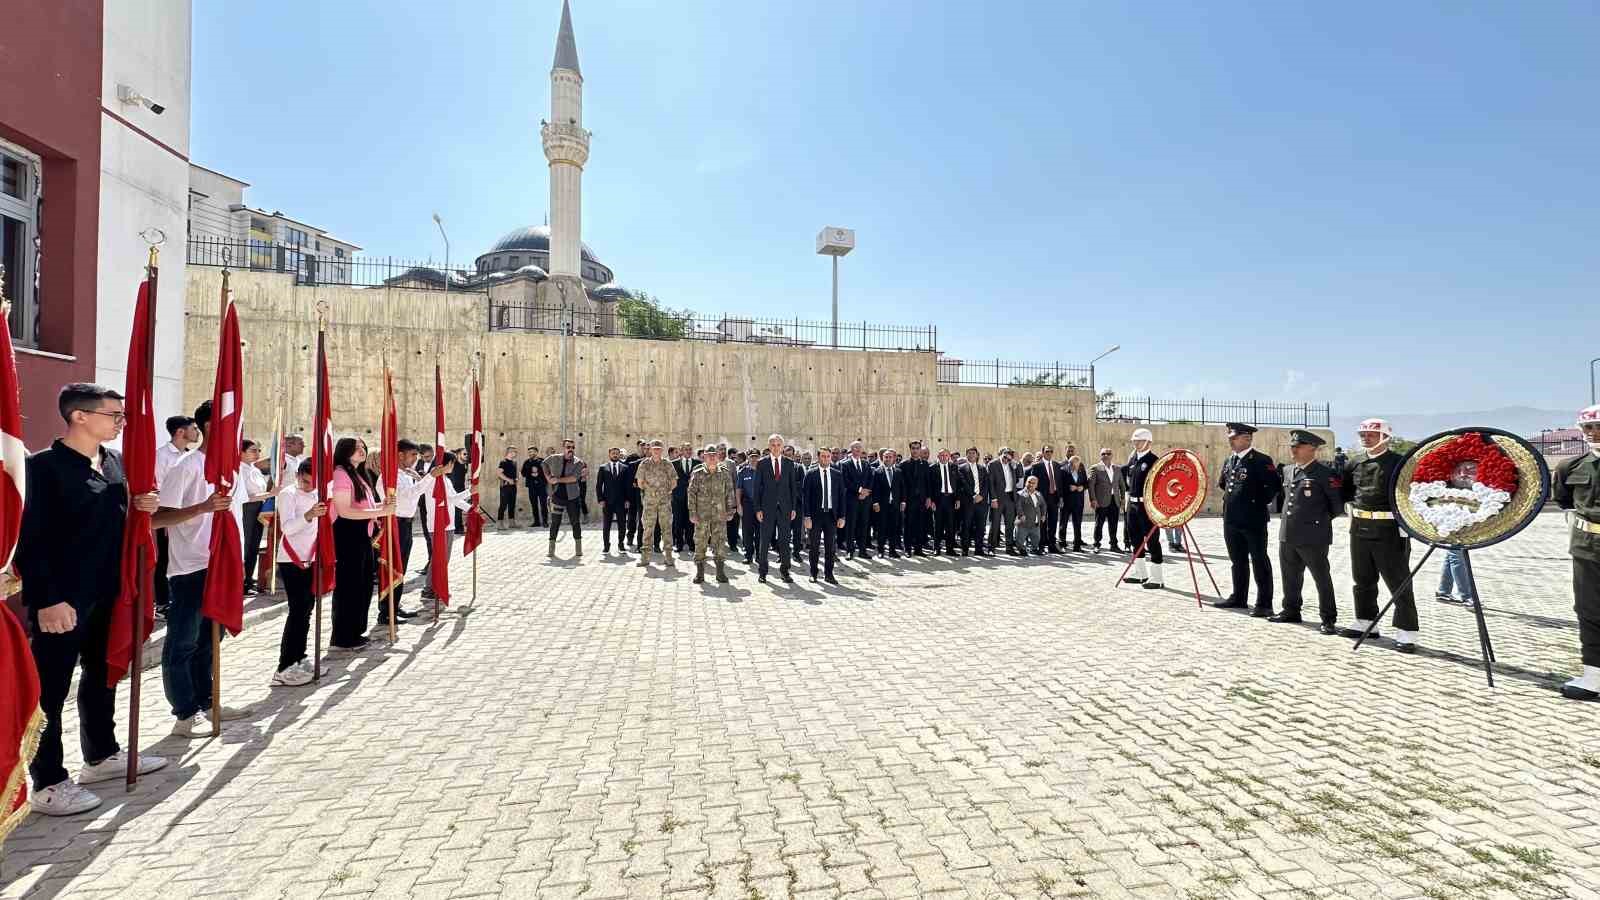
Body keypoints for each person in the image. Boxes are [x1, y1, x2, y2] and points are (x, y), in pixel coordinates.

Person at [16, 384, 168, 815]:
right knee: (51, 690)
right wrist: (48, 600)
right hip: (62, 599)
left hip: (110, 592)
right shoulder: (43, 468)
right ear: (79, 416)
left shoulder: (113, 463)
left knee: (102, 676)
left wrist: (139, 503)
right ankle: (48, 782)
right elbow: (32, 540)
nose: (121, 422)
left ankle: (101, 755)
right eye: (113, 415)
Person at [152, 399, 249, 737]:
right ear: (211, 425)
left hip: (222, 566)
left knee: (210, 640)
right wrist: (203, 507)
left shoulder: (231, 470)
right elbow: (157, 518)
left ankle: (208, 701)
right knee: (183, 642)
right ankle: (184, 712)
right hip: (191, 567)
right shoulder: (187, 466)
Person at [1338, 418, 1418, 652]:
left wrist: (1408, 527)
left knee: (1398, 581)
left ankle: (1407, 631)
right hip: (1360, 527)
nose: (1365, 438)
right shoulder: (1354, 462)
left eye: (1371, 434)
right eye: (1363, 434)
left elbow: (1409, 494)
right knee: (1362, 579)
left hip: (1390, 530)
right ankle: (1366, 622)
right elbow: (1346, 491)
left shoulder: (1399, 463)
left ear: (1385, 437)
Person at [1269, 431, 1342, 633]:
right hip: (1288, 533)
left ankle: (1328, 618)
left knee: (1321, 578)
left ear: (1312, 449)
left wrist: (1315, 524)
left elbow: (1336, 507)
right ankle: (1291, 610)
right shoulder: (1287, 470)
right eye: (1292, 446)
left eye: (1298, 446)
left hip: (1313, 537)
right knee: (1290, 576)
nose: (1293, 450)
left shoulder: (1325, 473)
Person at [328, 437, 395, 650]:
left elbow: (361, 504)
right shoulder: (340, 474)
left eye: (363, 447)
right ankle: (343, 636)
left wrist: (380, 505)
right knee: (349, 586)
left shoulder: (357, 474)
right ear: (344, 451)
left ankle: (356, 631)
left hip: (361, 533)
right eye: (356, 448)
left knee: (364, 584)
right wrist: (380, 511)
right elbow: (345, 510)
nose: (361, 450)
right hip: (347, 533)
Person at [1555, 404, 1600, 701]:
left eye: (1599, 427)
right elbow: (1564, 501)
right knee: (1589, 611)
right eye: (1588, 428)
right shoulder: (1570, 467)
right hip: (1586, 549)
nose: (1594, 432)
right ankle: (1593, 677)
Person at [271, 459, 328, 686]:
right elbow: (287, 528)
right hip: (291, 558)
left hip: (311, 556)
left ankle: (300, 657)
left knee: (307, 610)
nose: (308, 485)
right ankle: (284, 667)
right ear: (299, 475)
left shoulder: (318, 493)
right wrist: (309, 515)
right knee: (297, 612)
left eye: (313, 482)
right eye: (305, 481)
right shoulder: (288, 494)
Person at [1215, 423, 1279, 617]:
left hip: (1253, 520)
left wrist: (1253, 504)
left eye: (1234, 438)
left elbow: (1273, 487)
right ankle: (1239, 597)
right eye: (1230, 438)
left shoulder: (1261, 460)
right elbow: (1223, 484)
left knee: (1259, 560)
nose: (1231, 441)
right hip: (1231, 519)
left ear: (1247, 439)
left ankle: (1264, 603)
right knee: (1237, 560)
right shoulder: (1230, 460)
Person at [153, 415, 197, 621]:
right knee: (163, 559)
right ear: (180, 432)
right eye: (193, 428)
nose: (197, 432)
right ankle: (162, 603)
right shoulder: (161, 456)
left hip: (188, 515)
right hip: (168, 513)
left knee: (179, 557)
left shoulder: (190, 456)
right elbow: (159, 486)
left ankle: (173, 598)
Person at [385, 439, 431, 618]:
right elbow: (407, 496)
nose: (415, 459)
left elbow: (413, 496)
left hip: (406, 523)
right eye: (412, 455)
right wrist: (429, 477)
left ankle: (395, 606)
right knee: (394, 567)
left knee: (401, 567)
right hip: (396, 522)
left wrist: (422, 480)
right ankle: (387, 611)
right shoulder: (392, 475)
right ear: (400, 455)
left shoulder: (405, 474)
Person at [754, 434, 802, 583]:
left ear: (782, 446)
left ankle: (785, 571)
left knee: (784, 540)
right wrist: (758, 509)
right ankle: (762, 572)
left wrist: (793, 507)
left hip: (785, 509)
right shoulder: (762, 463)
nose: (775, 447)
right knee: (765, 540)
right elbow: (757, 488)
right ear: (769, 447)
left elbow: (792, 488)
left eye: (778, 445)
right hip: (766, 509)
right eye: (773, 445)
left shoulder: (789, 463)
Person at [688, 445, 737, 583]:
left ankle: (720, 572)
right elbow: (691, 494)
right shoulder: (698, 473)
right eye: (709, 455)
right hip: (701, 516)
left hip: (719, 516)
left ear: (718, 456)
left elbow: (730, 493)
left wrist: (731, 510)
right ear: (704, 456)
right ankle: (700, 573)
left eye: (714, 454)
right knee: (700, 542)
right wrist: (692, 513)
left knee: (720, 542)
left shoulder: (724, 473)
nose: (711, 457)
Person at [1122, 429, 1164, 589]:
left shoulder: (1154, 460)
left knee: (1152, 540)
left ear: (1148, 442)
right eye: (1134, 441)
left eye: (1139, 441)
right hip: (1132, 505)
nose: (1136, 443)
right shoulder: (1132, 460)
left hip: (1147, 506)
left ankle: (1157, 577)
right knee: (1135, 539)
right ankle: (1140, 573)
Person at [802, 447, 847, 583]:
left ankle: (829, 574)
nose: (826, 459)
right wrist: (807, 517)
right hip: (815, 516)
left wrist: (842, 516)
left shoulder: (837, 474)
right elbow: (806, 497)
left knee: (830, 548)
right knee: (814, 547)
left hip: (831, 516)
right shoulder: (810, 474)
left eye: (828, 456)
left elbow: (841, 497)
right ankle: (813, 573)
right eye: (823, 456)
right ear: (818, 457)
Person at [238, 439, 276, 596]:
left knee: (254, 545)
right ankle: (240, 582)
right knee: (245, 545)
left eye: (258, 451)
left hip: (258, 508)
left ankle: (248, 582)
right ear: (241, 452)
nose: (257, 454)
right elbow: (245, 496)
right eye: (253, 450)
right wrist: (270, 494)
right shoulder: (239, 470)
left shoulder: (254, 470)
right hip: (246, 508)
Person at [635, 439, 677, 569]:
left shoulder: (667, 464)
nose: (657, 450)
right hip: (650, 502)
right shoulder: (644, 464)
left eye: (659, 448)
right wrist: (652, 490)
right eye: (654, 448)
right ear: (650, 449)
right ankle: (645, 557)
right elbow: (640, 482)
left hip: (664, 501)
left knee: (666, 528)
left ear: (662, 450)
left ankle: (669, 556)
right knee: (648, 528)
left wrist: (666, 491)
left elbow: (674, 481)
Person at [544, 439, 585, 558]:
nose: (570, 449)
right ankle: (551, 550)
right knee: (555, 523)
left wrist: (557, 480)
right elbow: (544, 464)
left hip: (572, 497)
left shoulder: (578, 462)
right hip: (557, 496)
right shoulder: (555, 458)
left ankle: (578, 549)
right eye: (568, 447)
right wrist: (548, 477)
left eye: (572, 447)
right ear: (563, 448)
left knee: (575, 522)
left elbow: (574, 478)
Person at [596, 447, 634, 554]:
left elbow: (628, 486)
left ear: (619, 455)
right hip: (607, 501)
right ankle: (606, 546)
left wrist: (628, 499)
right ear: (609, 454)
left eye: (617, 453)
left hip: (621, 502)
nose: (615, 455)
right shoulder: (603, 468)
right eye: (613, 453)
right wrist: (600, 499)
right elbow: (599, 485)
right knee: (606, 525)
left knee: (622, 524)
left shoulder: (625, 468)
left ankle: (621, 544)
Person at [842, 441, 874, 560]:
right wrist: (860, 490)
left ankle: (862, 550)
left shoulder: (866, 464)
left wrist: (866, 492)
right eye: (855, 448)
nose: (858, 450)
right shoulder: (845, 464)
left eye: (859, 448)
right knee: (851, 525)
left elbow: (871, 479)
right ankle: (850, 550)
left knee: (864, 525)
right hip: (851, 499)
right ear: (851, 449)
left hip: (865, 500)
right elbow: (846, 481)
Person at [1088, 448, 1123, 554]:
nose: (1106, 455)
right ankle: (1096, 544)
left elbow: (1121, 484)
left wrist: (1123, 498)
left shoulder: (1117, 468)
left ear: (1112, 455)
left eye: (1108, 453)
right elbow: (1091, 485)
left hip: (1114, 500)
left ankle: (1114, 544)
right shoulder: (1095, 468)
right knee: (1099, 523)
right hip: (1101, 501)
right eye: (1104, 454)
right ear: (1100, 455)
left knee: (1114, 524)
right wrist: (1093, 499)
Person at [871, 449, 906, 557]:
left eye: (890, 457)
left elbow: (902, 488)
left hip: (895, 505)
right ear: (882, 458)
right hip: (882, 505)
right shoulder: (877, 471)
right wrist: (875, 502)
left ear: (894, 458)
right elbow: (875, 488)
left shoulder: (898, 472)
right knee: (882, 528)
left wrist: (903, 501)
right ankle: (881, 550)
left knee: (894, 528)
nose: (888, 459)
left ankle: (892, 550)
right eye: (886, 457)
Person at [988, 447, 1021, 555]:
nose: (1006, 458)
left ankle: (1009, 548)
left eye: (1009, 456)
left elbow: (1020, 476)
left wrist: (1016, 464)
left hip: (1010, 498)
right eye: (1005, 455)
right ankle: (991, 548)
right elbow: (991, 483)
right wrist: (993, 499)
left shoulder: (1012, 464)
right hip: (998, 498)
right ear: (1001, 454)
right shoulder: (993, 464)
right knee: (995, 524)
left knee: (1010, 524)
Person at [1031, 445, 1062, 553]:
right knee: (1042, 522)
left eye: (1051, 451)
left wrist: (1060, 497)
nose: (1049, 453)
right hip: (1041, 498)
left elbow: (1059, 483)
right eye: (1047, 451)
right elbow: (1033, 484)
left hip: (1054, 498)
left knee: (1053, 522)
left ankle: (1052, 545)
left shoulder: (1057, 465)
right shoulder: (1036, 466)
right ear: (1043, 452)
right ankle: (1040, 545)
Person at [961, 447, 990, 557]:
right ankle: (965, 549)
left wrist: (981, 496)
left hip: (981, 503)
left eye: (974, 453)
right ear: (966, 455)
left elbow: (986, 484)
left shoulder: (982, 468)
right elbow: (963, 484)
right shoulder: (962, 468)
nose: (972, 455)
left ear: (977, 455)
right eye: (969, 453)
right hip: (969, 502)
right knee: (966, 526)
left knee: (981, 527)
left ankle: (979, 549)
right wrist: (974, 495)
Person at [1060, 454, 1088, 552]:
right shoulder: (1063, 470)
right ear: (1070, 463)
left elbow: (1086, 483)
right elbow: (1060, 485)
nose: (1075, 466)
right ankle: (1062, 543)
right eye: (1073, 464)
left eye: (1077, 463)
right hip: (1066, 501)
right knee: (1063, 523)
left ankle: (1077, 546)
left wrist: (1082, 487)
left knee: (1077, 524)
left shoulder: (1081, 470)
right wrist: (1068, 488)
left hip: (1078, 502)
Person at [736, 452, 760, 564]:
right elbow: (738, 490)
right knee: (747, 532)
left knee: (761, 531)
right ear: (748, 458)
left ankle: (760, 555)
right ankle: (748, 555)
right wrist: (739, 505)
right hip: (747, 505)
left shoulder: (764, 471)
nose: (754, 459)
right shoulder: (743, 472)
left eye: (756, 457)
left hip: (761, 505)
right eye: (752, 457)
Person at [671, 442, 695, 554]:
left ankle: (691, 543)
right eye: (686, 449)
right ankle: (679, 544)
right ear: (681, 451)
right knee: (678, 522)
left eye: (690, 449)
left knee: (691, 521)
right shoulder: (673, 464)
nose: (688, 451)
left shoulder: (698, 463)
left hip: (693, 498)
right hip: (678, 497)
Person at [1015, 475, 1045, 555]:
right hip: (1024, 523)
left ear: (1036, 485)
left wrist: (1043, 515)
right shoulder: (1020, 494)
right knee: (1020, 539)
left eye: (1033, 483)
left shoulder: (1038, 494)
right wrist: (1021, 515)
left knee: (1036, 538)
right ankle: (1021, 549)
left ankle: (1034, 549)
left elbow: (1043, 505)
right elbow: (1018, 506)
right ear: (1025, 483)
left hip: (1035, 523)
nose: (1031, 484)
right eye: (1029, 482)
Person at [521, 444, 547, 528]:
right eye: (529, 452)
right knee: (534, 504)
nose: (530, 453)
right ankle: (536, 522)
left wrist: (538, 473)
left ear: (536, 452)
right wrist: (531, 473)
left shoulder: (542, 461)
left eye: (532, 452)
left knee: (543, 504)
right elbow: (523, 473)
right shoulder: (526, 462)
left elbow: (547, 472)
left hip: (542, 486)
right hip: (531, 487)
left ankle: (545, 522)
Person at [496, 447, 519, 523]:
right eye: (514, 451)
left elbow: (516, 474)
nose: (515, 453)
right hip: (505, 487)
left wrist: (516, 479)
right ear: (509, 452)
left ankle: (512, 523)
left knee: (512, 504)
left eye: (515, 452)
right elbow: (499, 473)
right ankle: (500, 523)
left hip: (513, 486)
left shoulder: (514, 462)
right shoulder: (503, 462)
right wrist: (508, 480)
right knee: (503, 505)